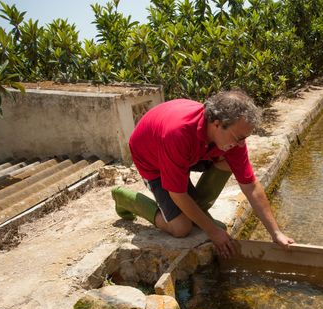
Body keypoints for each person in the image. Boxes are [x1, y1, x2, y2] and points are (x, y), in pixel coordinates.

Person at [111, 90, 294, 258]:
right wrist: (213, 231)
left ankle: (198, 210)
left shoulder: (231, 136)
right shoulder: (178, 134)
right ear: (217, 124)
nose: (241, 145)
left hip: (192, 152)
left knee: (227, 162)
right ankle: (126, 199)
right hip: (152, 159)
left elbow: (251, 185)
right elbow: (177, 193)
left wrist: (275, 232)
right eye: (239, 138)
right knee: (181, 228)